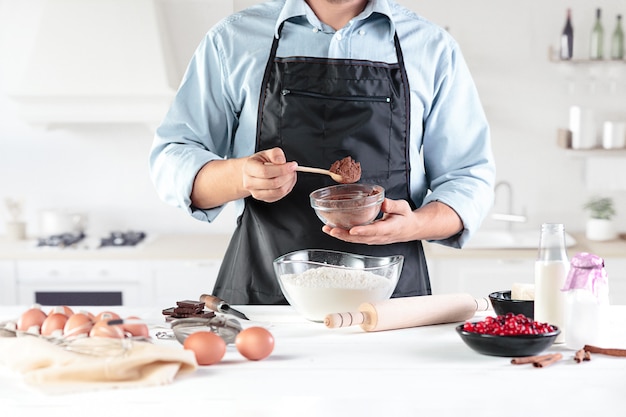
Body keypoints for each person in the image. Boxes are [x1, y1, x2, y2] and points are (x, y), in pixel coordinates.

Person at [149, 0, 496, 304]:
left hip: (391, 303)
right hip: (266, 298)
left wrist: (414, 225)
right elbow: (172, 158)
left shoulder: (431, 47)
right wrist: (241, 176)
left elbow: (470, 178)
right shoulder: (233, 39)